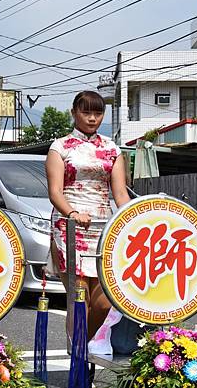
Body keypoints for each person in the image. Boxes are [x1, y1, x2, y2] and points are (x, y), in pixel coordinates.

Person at [46, 90, 131, 341]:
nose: (92, 118)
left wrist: (131, 219)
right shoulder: (59, 147)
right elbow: (55, 192)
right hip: (70, 227)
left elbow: (121, 195)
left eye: (98, 113)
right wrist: (72, 213)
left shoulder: (111, 148)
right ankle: (80, 360)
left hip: (104, 229)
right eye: (86, 112)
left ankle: (83, 346)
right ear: (74, 113)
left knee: (105, 303)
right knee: (79, 299)